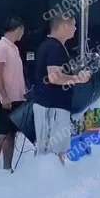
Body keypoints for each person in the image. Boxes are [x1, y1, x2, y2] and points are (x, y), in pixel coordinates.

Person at [33, 13, 90, 165]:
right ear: (64, 26)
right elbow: (54, 77)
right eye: (73, 25)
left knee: (57, 150)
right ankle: (51, 177)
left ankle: (55, 175)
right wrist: (78, 79)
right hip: (52, 107)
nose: (75, 29)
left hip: (54, 107)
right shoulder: (54, 47)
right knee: (53, 152)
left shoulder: (53, 46)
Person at [0, 16, 27, 171]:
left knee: (11, 134)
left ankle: (7, 167)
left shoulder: (13, 48)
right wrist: (4, 96)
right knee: (1, 134)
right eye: (22, 30)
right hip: (6, 99)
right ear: (18, 29)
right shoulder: (1, 47)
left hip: (16, 98)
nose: (23, 34)